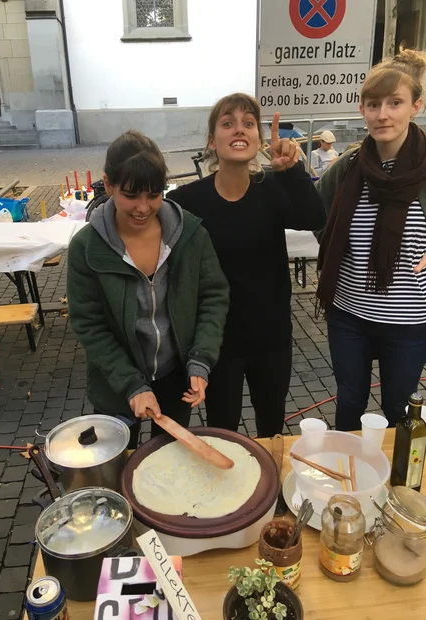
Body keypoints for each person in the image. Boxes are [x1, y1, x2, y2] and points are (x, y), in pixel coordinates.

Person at [167, 94, 325, 437]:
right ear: (212, 140)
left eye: (248, 123)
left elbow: (315, 217)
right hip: (217, 341)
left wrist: (290, 171)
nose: (239, 130)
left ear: (258, 138)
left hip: (271, 338)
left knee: (271, 427)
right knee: (223, 431)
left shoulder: (272, 189)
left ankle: (270, 491)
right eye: (228, 123)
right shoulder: (186, 202)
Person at [67, 131, 229, 448]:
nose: (143, 207)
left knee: (167, 465)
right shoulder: (86, 248)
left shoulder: (190, 234)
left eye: (154, 194)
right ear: (108, 185)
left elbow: (214, 298)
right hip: (116, 385)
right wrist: (131, 385)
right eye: (131, 195)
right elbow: (90, 324)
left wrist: (201, 360)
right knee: (119, 468)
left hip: (175, 377)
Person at [316, 47, 426, 431]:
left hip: (409, 321)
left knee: (399, 408)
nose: (382, 114)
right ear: (362, 109)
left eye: (395, 102)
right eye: (373, 103)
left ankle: (398, 489)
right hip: (349, 315)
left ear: (416, 105)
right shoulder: (347, 167)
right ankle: (344, 483)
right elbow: (318, 217)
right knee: (349, 402)